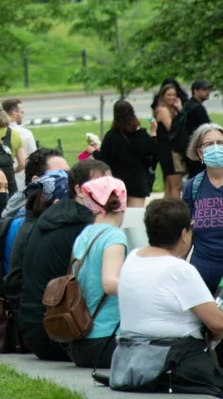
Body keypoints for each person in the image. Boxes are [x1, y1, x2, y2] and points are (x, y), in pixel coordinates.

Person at [116, 197, 223, 390]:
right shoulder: (179, 270)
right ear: (184, 234)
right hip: (174, 363)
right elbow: (218, 324)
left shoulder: (133, 258)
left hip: (129, 362)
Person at [17, 159, 110, 361]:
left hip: (37, 329)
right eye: (100, 183)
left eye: (110, 183)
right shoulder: (86, 226)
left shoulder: (53, 215)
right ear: (79, 190)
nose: (109, 189)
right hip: (64, 333)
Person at [68, 176, 128, 368]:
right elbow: (109, 284)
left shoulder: (84, 234)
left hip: (79, 341)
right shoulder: (114, 236)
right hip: (106, 341)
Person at [4, 169, 70, 316]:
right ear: (57, 202)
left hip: (26, 309)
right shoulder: (40, 231)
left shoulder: (30, 223)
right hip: (36, 314)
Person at [91, 100, 158, 207]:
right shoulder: (141, 135)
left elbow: (103, 159)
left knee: (119, 217)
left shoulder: (111, 136)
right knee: (135, 217)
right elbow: (154, 152)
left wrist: (93, 151)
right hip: (138, 182)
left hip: (118, 183)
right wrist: (153, 132)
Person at [183, 123, 223, 295]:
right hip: (201, 278)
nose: (216, 148)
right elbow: (184, 233)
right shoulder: (193, 187)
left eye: (220, 143)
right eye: (209, 144)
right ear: (200, 153)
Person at [2, 148, 69, 218]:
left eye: (69, 173)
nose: (67, 179)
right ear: (37, 181)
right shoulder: (23, 221)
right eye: (60, 174)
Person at [154, 83, 185, 198]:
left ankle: (165, 212)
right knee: (176, 185)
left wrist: (179, 109)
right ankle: (175, 212)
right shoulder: (163, 110)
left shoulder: (173, 110)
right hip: (168, 151)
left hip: (171, 150)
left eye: (174, 95)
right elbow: (172, 129)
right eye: (169, 95)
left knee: (169, 185)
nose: (172, 97)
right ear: (163, 96)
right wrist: (181, 112)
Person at [2, 98, 37, 190]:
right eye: (21, 112)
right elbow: (34, 159)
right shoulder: (25, 134)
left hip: (2, 181)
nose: (22, 115)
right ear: (14, 113)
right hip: (22, 181)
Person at [185, 81, 212, 178]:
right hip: (198, 150)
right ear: (195, 91)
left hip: (190, 149)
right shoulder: (197, 108)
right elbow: (208, 129)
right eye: (204, 89)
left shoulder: (188, 105)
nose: (208, 92)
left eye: (208, 89)